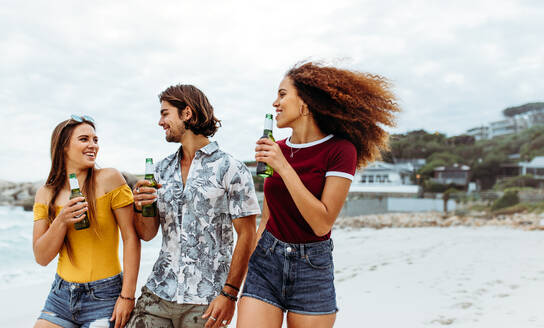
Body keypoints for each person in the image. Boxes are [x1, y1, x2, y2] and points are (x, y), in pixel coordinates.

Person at [237, 62, 400, 328]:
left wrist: (284, 167)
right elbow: (266, 218)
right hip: (266, 263)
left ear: (306, 103)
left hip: (311, 269)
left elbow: (322, 222)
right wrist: (248, 271)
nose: (274, 103)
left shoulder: (340, 150)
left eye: (282, 94)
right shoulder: (275, 150)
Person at [127, 84, 260, 328]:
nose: (160, 122)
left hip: (207, 301)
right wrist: (139, 206)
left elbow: (247, 236)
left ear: (187, 113)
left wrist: (230, 294)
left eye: (165, 113)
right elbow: (147, 234)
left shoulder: (231, 168)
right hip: (158, 292)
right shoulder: (160, 170)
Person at [32, 115, 141, 328]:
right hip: (61, 296)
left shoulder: (109, 179)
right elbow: (42, 257)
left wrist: (127, 296)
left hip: (105, 295)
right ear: (63, 146)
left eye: (95, 140)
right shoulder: (45, 194)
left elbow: (131, 238)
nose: (93, 145)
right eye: (84, 139)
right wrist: (61, 221)